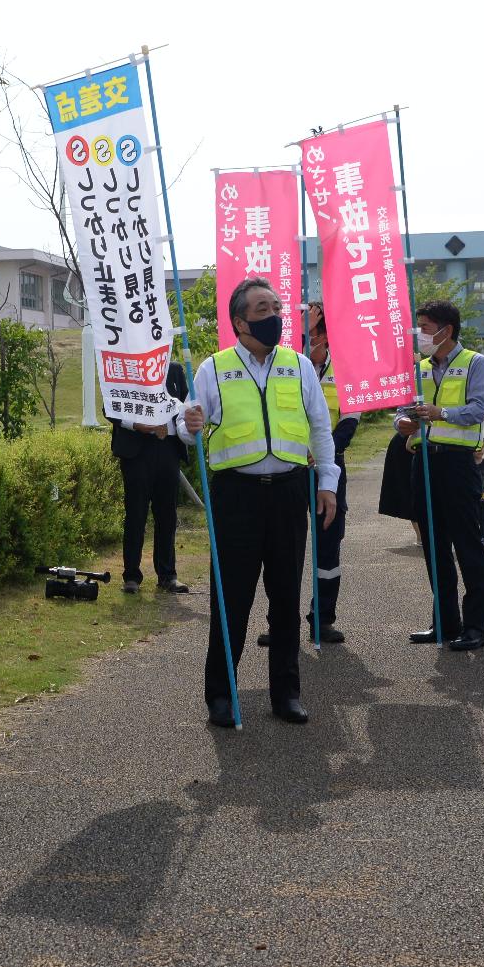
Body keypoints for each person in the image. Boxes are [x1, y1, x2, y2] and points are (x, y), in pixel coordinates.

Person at [180, 278, 339, 726]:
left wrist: (327, 483)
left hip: (290, 491)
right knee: (231, 599)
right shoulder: (214, 367)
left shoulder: (299, 365)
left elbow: (320, 429)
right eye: (262, 310)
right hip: (236, 496)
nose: (274, 317)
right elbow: (189, 423)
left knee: (286, 597)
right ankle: (222, 694)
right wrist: (187, 420)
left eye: (276, 308)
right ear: (239, 321)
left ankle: (286, 692)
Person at [396, 300, 484, 651]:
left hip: (458, 464)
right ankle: (445, 623)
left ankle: (476, 628)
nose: (419, 333)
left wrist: (441, 413)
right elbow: (401, 412)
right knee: (434, 547)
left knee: (468, 545)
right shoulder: (418, 368)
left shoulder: (475, 363)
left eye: (423, 326)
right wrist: (402, 423)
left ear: (446, 330)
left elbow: (478, 409)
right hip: (423, 463)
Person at [111, 361, 191, 596]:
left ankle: (167, 575)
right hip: (136, 450)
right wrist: (137, 424)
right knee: (136, 513)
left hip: (168, 448)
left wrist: (188, 425)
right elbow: (110, 408)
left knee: (167, 514)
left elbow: (187, 407)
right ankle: (132, 575)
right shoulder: (124, 367)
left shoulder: (174, 369)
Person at [303, 304, 357, 642]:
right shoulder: (284, 367)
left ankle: (322, 617)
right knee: (283, 545)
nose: (306, 339)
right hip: (290, 467)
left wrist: (323, 454)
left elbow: (351, 421)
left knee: (328, 542)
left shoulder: (346, 371)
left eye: (310, 332)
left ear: (324, 334)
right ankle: (276, 623)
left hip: (330, 468)